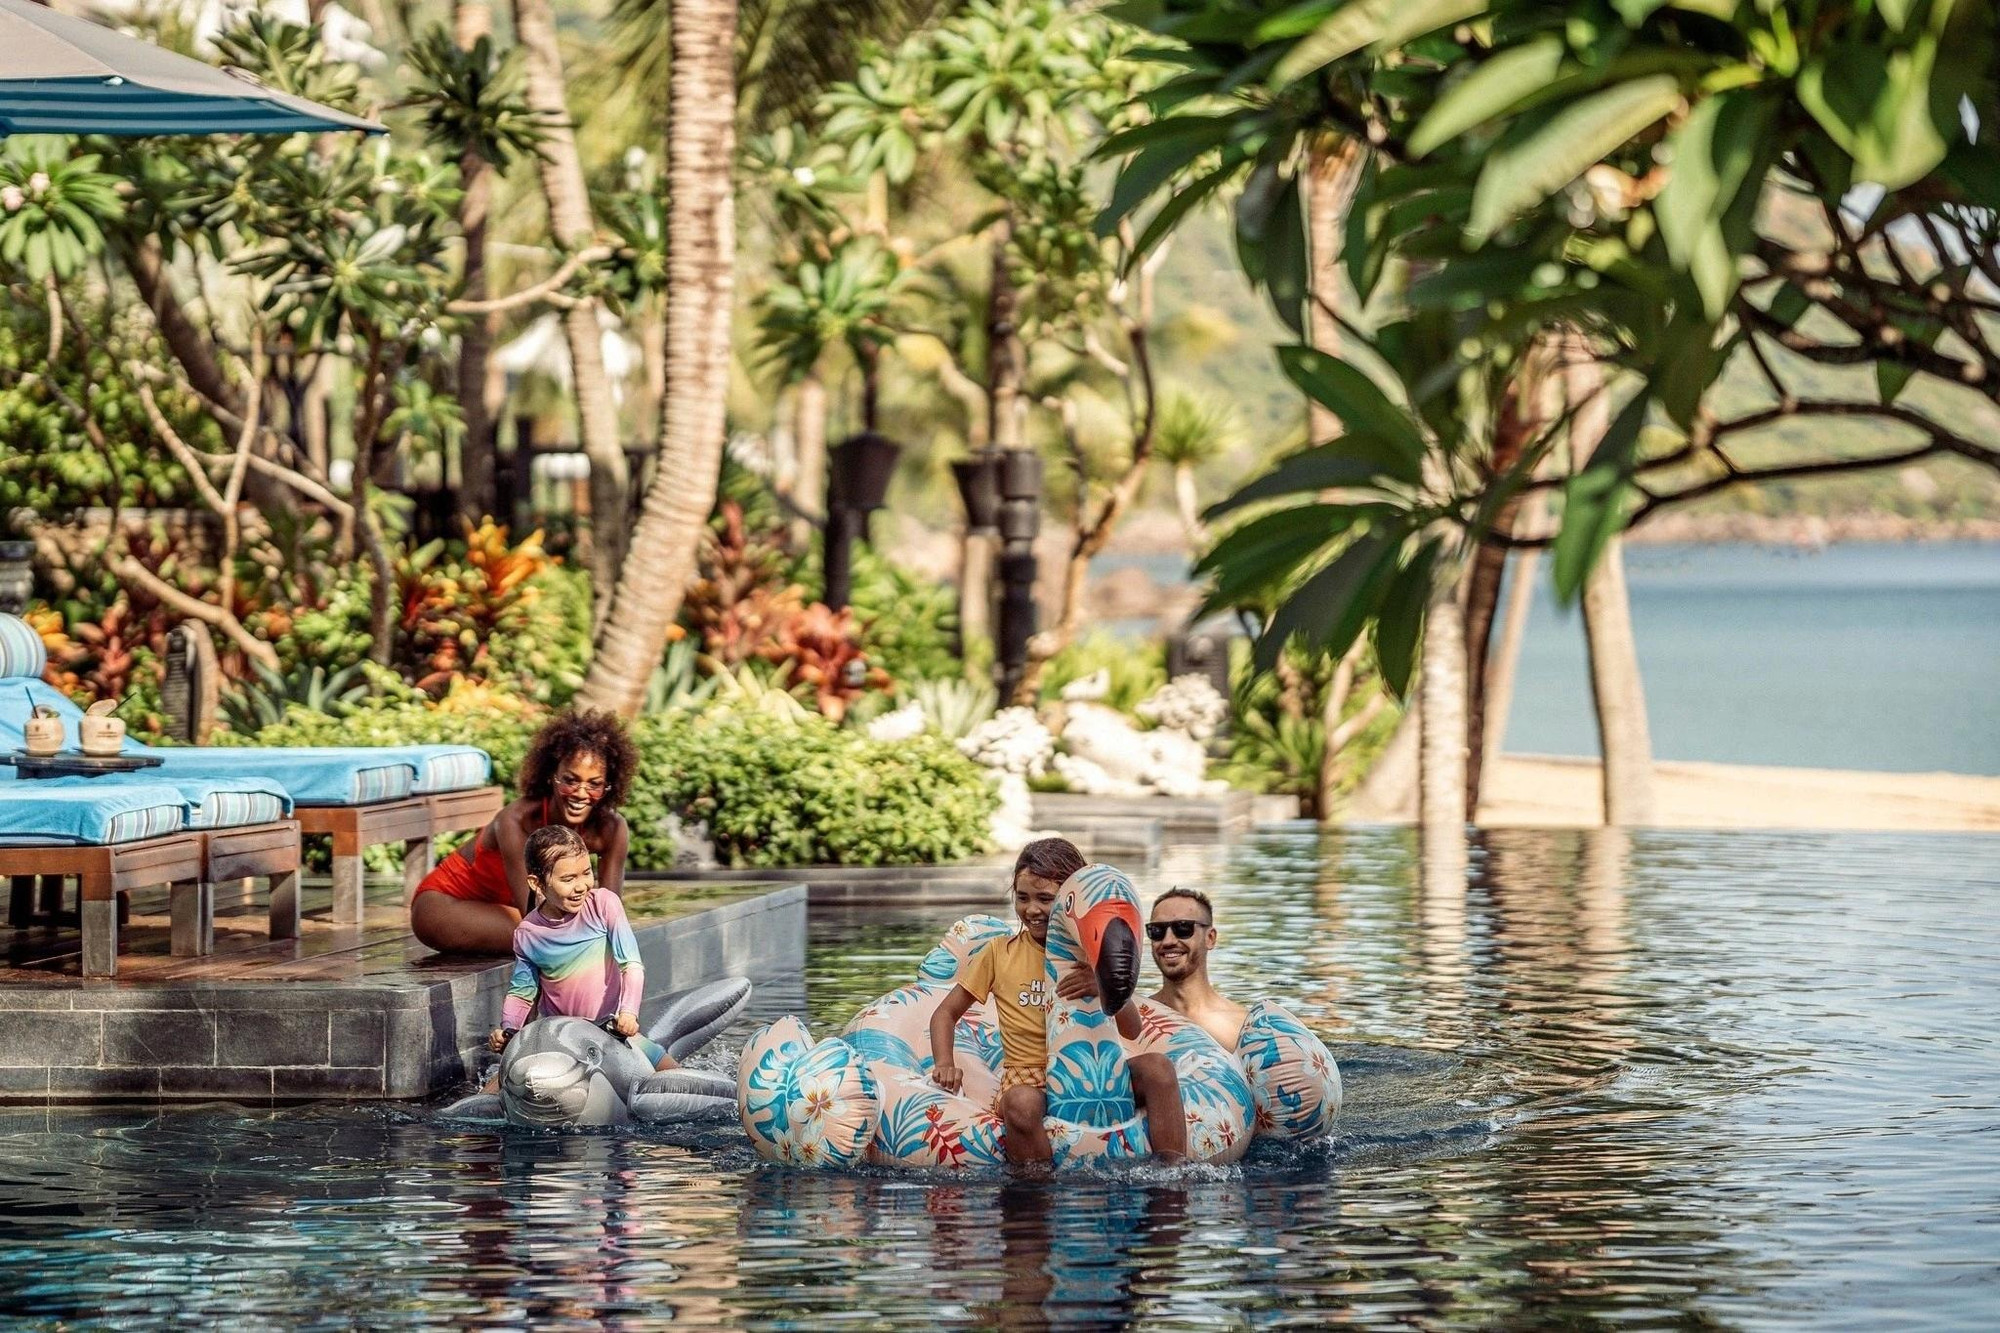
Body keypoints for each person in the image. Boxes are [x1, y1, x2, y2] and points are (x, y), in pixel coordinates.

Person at [933, 838, 1187, 1167]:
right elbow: (945, 1013)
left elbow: (1132, 1028)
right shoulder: (999, 953)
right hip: (1029, 1077)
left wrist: (1102, 985)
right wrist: (943, 1062)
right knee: (1021, 1104)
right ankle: (1038, 1193)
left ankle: (1174, 1172)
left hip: (1093, 1072)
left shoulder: (1092, 957)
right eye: (1022, 898)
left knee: (1159, 1068)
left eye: (1045, 899)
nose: (1032, 909)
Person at [411, 709, 637, 955]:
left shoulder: (611, 830)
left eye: (594, 784)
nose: (581, 793)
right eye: (570, 780)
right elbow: (534, 912)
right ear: (552, 776)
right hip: (444, 906)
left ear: (607, 787)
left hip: (505, 913)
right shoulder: (516, 821)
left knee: (575, 935)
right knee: (552, 937)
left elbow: (612, 913)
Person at [485, 824, 677, 1071]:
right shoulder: (529, 933)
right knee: (499, 1084)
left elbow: (631, 965)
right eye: (568, 879)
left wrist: (628, 1013)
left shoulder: (603, 905)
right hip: (561, 1038)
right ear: (537, 883)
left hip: (612, 1029)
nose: (581, 886)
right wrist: (509, 1030)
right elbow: (522, 993)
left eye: (586, 873)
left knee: (670, 1071)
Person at [1144, 886, 1248, 1051]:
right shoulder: (1134, 1019)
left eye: (1183, 928)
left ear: (1210, 938)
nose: (1168, 941)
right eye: (1157, 931)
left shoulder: (1241, 1027)